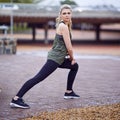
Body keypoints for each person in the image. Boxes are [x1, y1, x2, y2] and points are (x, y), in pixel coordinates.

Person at [10, 4, 80, 109]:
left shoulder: (63, 25)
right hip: (55, 59)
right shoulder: (63, 26)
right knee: (38, 78)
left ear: (71, 15)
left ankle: (68, 92)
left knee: (75, 66)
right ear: (60, 15)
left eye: (68, 13)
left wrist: (70, 59)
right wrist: (72, 58)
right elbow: (69, 47)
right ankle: (16, 99)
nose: (66, 15)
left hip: (59, 57)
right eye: (64, 13)